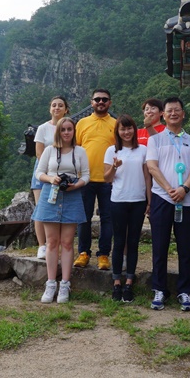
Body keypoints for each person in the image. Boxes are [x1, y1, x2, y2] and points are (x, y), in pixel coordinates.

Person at [146, 96, 190, 312]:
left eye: (177, 110)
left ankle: (185, 290)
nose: (173, 113)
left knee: (185, 248)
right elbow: (152, 167)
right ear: (163, 115)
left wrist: (184, 188)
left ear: (183, 114)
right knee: (160, 246)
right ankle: (159, 289)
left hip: (185, 201)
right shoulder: (156, 140)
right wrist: (169, 189)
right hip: (161, 198)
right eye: (169, 110)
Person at [32, 117, 90, 304]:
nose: (66, 133)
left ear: (74, 131)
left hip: (72, 195)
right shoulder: (49, 150)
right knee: (51, 242)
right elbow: (39, 173)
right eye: (63, 129)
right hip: (51, 194)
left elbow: (86, 175)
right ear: (58, 131)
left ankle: (65, 283)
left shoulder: (80, 151)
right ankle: (50, 283)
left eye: (69, 129)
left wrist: (77, 185)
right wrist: (51, 179)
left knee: (66, 242)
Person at [104, 115, 151, 303]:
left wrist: (149, 200)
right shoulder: (111, 151)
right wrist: (114, 167)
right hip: (118, 200)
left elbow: (148, 177)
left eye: (129, 128)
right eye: (122, 129)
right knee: (118, 240)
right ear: (117, 132)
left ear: (134, 129)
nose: (126, 132)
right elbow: (107, 178)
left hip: (138, 200)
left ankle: (130, 281)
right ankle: (116, 282)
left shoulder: (143, 150)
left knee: (133, 242)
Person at [74, 88, 117, 270]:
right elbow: (76, 149)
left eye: (104, 99)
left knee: (108, 219)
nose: (100, 102)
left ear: (110, 103)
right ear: (91, 102)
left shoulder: (116, 124)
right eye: (97, 99)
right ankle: (83, 253)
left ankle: (104, 254)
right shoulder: (82, 123)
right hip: (85, 179)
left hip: (109, 180)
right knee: (83, 218)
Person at [32, 96, 70, 259]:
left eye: (60, 105)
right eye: (54, 105)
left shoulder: (68, 127)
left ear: (66, 109)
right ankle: (42, 245)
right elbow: (39, 153)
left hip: (63, 173)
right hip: (43, 171)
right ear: (50, 109)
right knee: (41, 208)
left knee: (60, 208)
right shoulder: (42, 128)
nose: (57, 108)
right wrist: (48, 173)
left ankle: (58, 246)